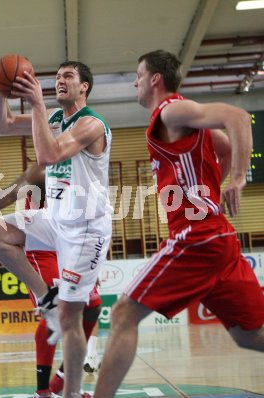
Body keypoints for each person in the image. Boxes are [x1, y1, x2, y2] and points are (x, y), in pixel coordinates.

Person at [94, 49, 264, 398]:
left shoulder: (170, 110)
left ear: (155, 79)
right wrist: (212, 193)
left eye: (138, 75)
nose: (135, 82)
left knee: (124, 312)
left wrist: (237, 180)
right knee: (249, 335)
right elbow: (225, 144)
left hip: (196, 237)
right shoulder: (181, 119)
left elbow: (238, 117)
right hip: (218, 238)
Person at [0, 60, 112, 398]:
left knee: (73, 317)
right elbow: (2, 125)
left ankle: (68, 392)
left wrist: (37, 102)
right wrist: (0, 90)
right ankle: (44, 298)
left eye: (68, 76)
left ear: (85, 87)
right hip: (54, 218)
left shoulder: (91, 124)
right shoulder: (54, 118)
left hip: (85, 229)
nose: (60, 80)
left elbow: (48, 156)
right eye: (56, 76)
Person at [0, 163, 102, 397]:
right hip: (42, 247)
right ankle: (44, 391)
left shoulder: (87, 167)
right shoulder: (46, 169)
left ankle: (63, 381)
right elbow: (10, 193)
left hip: (75, 244)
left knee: (92, 308)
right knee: (59, 313)